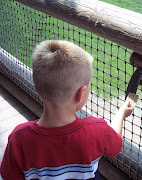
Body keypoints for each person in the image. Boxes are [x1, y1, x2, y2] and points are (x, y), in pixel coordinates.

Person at [0, 40, 133, 179]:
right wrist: (121, 114)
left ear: (38, 87)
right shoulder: (97, 129)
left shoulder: (18, 138)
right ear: (81, 93)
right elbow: (115, 146)